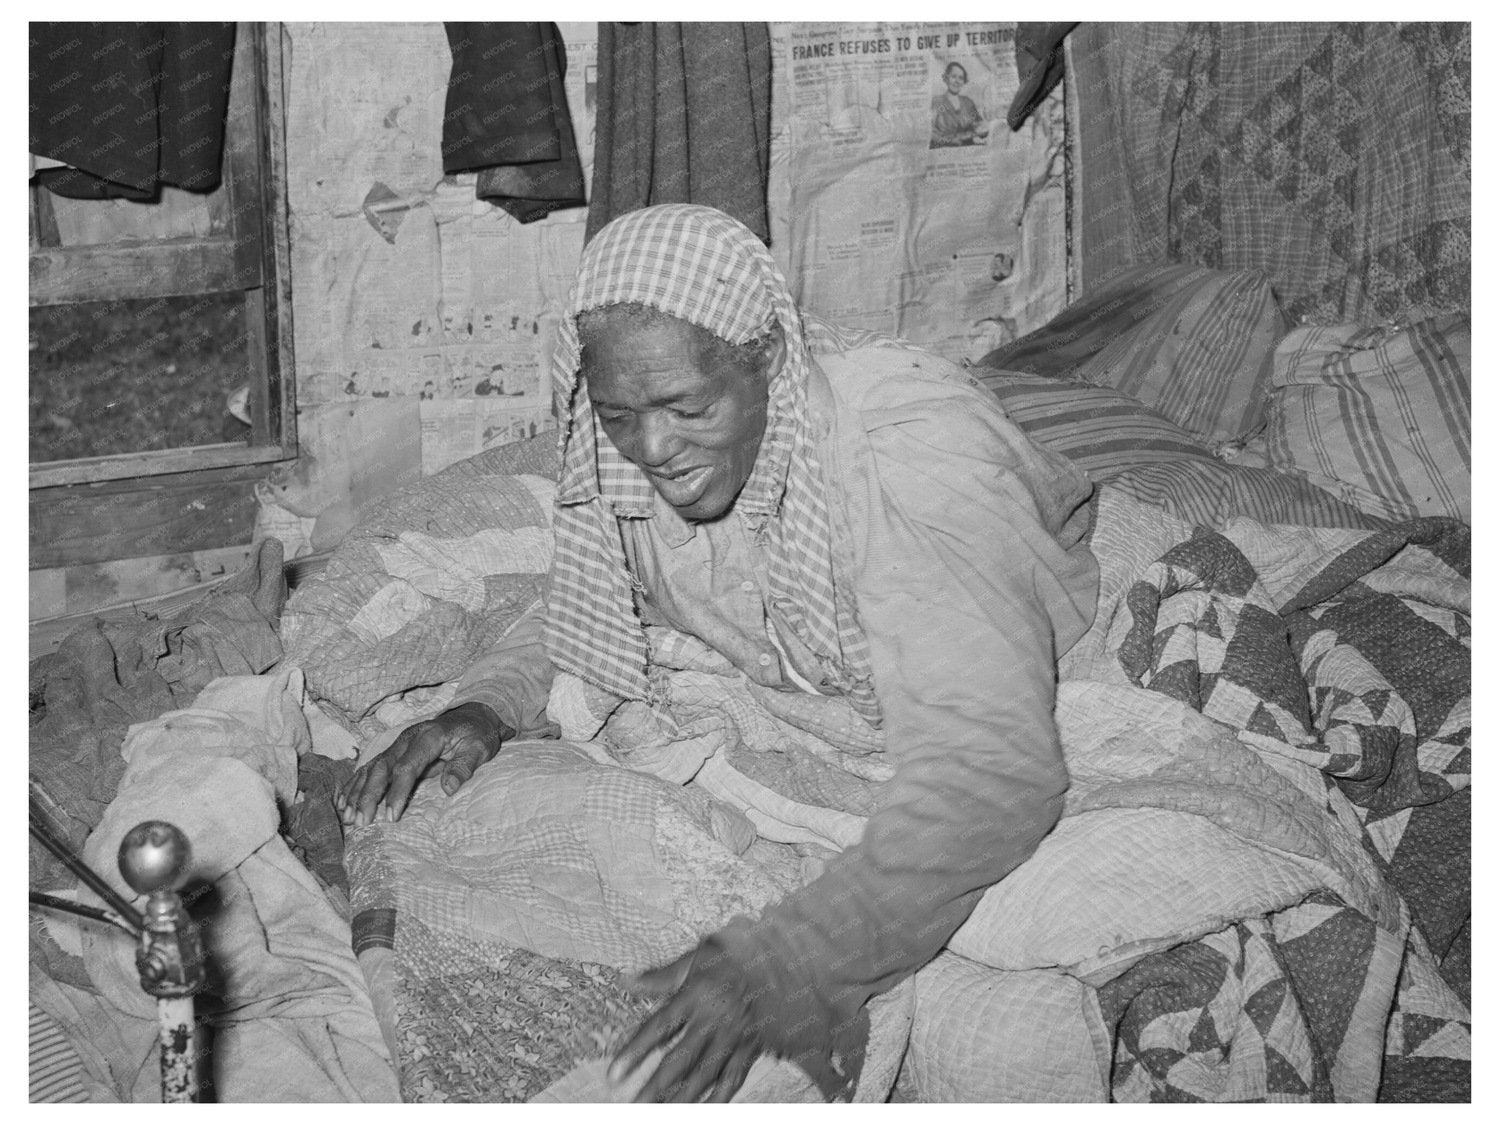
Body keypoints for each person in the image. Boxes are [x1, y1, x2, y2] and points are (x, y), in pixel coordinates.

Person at [338, 204, 1098, 1102]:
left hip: (993, 643)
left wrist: (790, 961)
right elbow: (595, 598)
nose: (654, 449)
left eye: (686, 408)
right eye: (622, 413)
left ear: (769, 362)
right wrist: (486, 705)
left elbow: (992, 773)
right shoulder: (634, 439)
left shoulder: (910, 464)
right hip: (813, 674)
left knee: (1001, 1015)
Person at [929, 62, 990, 148]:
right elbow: (929, 133)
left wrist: (982, 130)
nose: (957, 81)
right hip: (943, 151)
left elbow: (978, 125)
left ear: (964, 81)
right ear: (946, 78)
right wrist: (949, 141)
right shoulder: (936, 102)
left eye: (961, 78)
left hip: (969, 150)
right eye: (953, 77)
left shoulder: (968, 102)